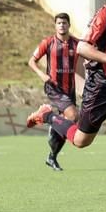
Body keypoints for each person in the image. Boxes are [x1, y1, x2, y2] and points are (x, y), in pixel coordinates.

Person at [27, 0, 106, 165]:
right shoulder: (103, 17)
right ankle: (48, 115)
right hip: (102, 87)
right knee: (80, 140)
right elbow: (83, 47)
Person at [27, 12, 80, 171]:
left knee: (66, 125)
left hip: (69, 90)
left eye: (64, 23)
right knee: (74, 116)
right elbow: (31, 61)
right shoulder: (48, 42)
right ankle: (47, 116)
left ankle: (52, 157)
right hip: (54, 87)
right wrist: (42, 74)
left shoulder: (77, 44)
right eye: (59, 23)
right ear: (55, 25)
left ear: (69, 25)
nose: (62, 25)